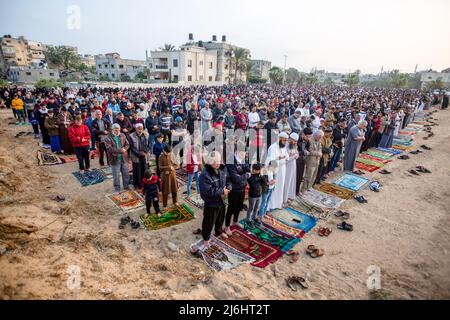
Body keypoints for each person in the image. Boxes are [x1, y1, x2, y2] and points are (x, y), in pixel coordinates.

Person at [198, 151, 231, 246]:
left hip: (222, 200)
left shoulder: (222, 168)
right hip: (211, 203)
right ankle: (206, 238)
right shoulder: (205, 175)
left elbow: (228, 179)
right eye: (215, 161)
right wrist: (222, 191)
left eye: (219, 160)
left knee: (220, 218)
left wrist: (228, 187)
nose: (218, 163)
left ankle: (219, 231)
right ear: (209, 161)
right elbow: (207, 191)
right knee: (209, 221)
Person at [224, 145, 251, 235]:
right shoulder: (230, 161)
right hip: (234, 189)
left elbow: (248, 168)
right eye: (242, 153)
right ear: (236, 151)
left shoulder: (243, 159)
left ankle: (235, 221)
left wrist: (243, 174)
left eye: (245, 153)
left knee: (239, 207)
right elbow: (235, 178)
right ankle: (227, 226)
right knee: (231, 208)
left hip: (242, 188)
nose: (244, 155)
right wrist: (246, 175)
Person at [265, 131, 289, 210]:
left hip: (283, 169)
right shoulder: (272, 147)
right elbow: (270, 162)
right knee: (273, 188)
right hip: (275, 171)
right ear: (279, 139)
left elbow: (287, 156)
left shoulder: (283, 147)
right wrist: (280, 158)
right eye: (284, 140)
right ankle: (269, 207)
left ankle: (278, 204)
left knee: (280, 187)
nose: (285, 142)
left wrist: (285, 157)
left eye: (286, 140)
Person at [104, 123, 130, 192]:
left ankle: (126, 186)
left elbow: (127, 144)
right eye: (116, 130)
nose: (117, 131)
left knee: (126, 173)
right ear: (112, 130)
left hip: (124, 158)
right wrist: (121, 150)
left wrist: (125, 149)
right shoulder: (107, 138)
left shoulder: (122, 135)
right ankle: (117, 189)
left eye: (118, 130)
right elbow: (109, 149)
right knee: (116, 175)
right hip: (114, 159)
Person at [129, 123, 149, 189]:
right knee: (136, 170)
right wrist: (139, 154)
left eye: (141, 129)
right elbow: (132, 147)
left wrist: (145, 152)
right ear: (136, 129)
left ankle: (143, 183)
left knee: (144, 169)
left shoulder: (145, 135)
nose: (140, 130)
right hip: (136, 156)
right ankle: (137, 184)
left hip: (143, 155)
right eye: (139, 129)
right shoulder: (131, 136)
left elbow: (147, 145)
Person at [284, 132, 299, 204]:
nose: (295, 142)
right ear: (290, 139)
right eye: (294, 141)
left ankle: (289, 195)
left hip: (293, 165)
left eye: (296, 141)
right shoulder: (286, 146)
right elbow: (285, 159)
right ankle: (284, 198)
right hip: (287, 167)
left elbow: (297, 153)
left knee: (292, 181)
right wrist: (293, 157)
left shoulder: (294, 145)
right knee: (287, 182)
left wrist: (296, 155)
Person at [296, 127, 312, 194]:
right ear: (303, 134)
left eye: (309, 137)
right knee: (295, 176)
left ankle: (297, 191)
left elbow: (308, 149)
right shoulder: (297, 140)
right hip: (296, 160)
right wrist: (303, 152)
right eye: (307, 136)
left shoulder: (307, 141)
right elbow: (295, 152)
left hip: (303, 160)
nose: (308, 138)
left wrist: (307, 152)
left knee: (300, 176)